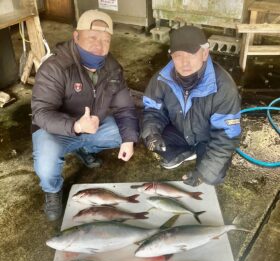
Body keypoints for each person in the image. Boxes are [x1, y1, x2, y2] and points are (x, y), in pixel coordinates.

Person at [31, 10, 139, 221]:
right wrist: (76, 126)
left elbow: (125, 107)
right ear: (76, 36)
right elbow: (41, 113)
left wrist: (128, 140)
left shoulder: (112, 67)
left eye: (105, 40)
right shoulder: (55, 67)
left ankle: (83, 147)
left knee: (132, 132)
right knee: (45, 165)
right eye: (92, 37)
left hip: (93, 125)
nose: (99, 45)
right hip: (56, 130)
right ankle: (52, 190)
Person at [142, 25, 241, 186]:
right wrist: (152, 134)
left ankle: (198, 154)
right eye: (179, 55)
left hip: (208, 140)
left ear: (205, 53)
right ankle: (186, 151)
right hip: (180, 132)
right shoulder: (161, 79)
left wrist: (203, 173)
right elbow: (152, 111)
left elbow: (227, 136)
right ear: (171, 56)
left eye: (192, 54)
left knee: (213, 177)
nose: (185, 62)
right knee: (149, 138)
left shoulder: (224, 86)